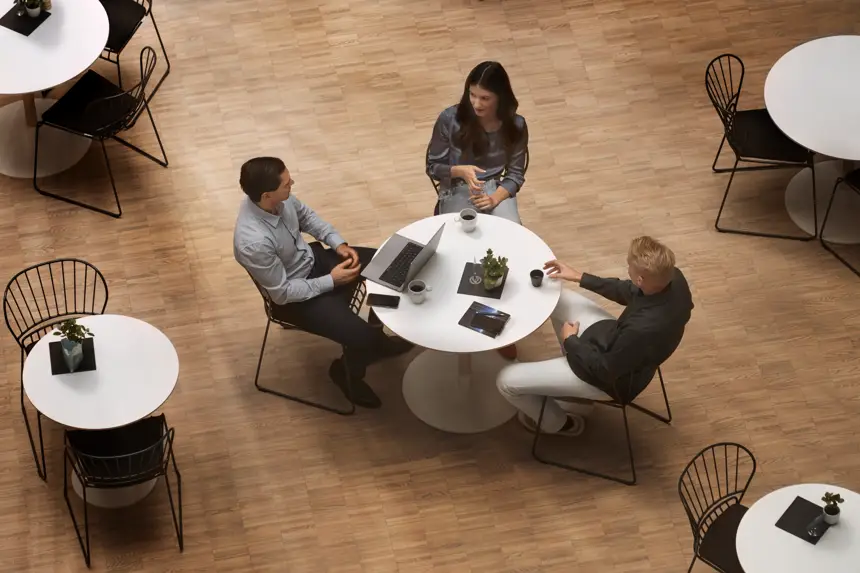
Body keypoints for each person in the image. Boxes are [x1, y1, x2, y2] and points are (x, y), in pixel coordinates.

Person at [233, 157, 412, 409]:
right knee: (362, 338)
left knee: (393, 266)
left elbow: (306, 216)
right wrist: (332, 280)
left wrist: (338, 243)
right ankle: (345, 371)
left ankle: (377, 339)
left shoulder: (277, 200)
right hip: (296, 296)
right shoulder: (252, 242)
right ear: (266, 195)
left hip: (314, 261)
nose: (291, 183)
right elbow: (282, 294)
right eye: (286, 183)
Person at [496, 236, 693, 435]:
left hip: (608, 378)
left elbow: (604, 370)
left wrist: (571, 341)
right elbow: (629, 290)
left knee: (505, 381)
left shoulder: (641, 329)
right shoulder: (673, 277)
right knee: (555, 296)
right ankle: (568, 384)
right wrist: (579, 276)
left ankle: (557, 424)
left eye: (629, 266)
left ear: (641, 279)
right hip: (616, 343)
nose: (627, 269)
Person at [426, 61, 528, 225]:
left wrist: (494, 199)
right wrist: (460, 171)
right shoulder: (449, 119)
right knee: (459, 239)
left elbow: (515, 175)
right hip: (457, 187)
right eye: (472, 95)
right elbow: (433, 168)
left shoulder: (516, 125)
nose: (476, 103)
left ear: (500, 98)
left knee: (510, 238)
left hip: (495, 188)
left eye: (485, 98)